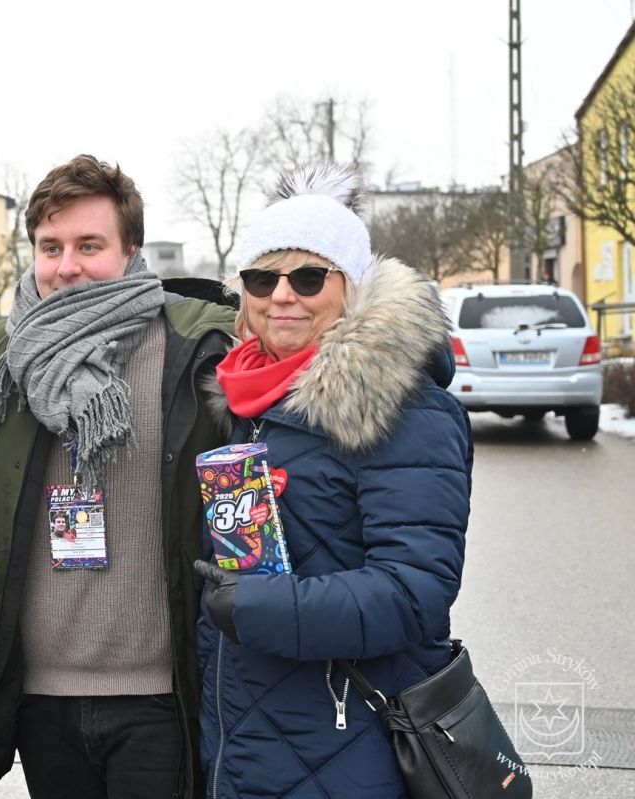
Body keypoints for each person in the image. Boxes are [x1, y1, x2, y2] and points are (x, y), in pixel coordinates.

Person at [0, 154, 237, 798]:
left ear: (130, 250)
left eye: (89, 245)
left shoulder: (201, 350)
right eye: (50, 247)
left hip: (161, 694)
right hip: (39, 698)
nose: (67, 266)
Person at [194, 164, 472, 798]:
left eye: (309, 276)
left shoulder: (405, 408)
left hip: (350, 737)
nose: (282, 295)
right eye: (262, 278)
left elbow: (415, 591)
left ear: (352, 286)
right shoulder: (248, 399)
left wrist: (256, 610)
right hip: (245, 733)